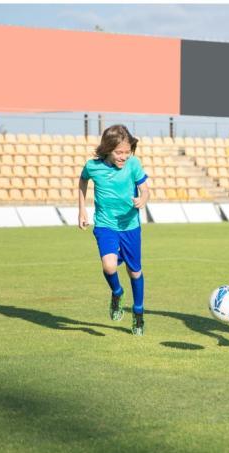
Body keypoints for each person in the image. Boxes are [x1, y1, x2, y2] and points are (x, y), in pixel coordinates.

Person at [78, 124, 150, 335]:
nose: (124, 157)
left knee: (134, 271)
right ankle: (117, 293)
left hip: (130, 227)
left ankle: (138, 313)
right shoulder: (93, 166)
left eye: (127, 152)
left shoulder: (134, 165)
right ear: (107, 149)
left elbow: (145, 190)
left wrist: (143, 199)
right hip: (105, 225)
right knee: (109, 266)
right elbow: (82, 181)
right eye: (119, 152)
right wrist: (82, 210)